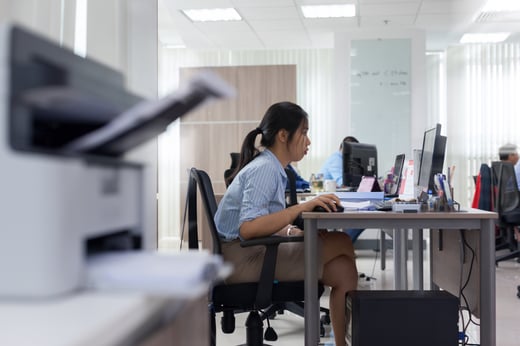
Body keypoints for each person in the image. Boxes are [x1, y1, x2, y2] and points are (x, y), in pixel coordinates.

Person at [214, 101, 358, 346]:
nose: (308, 141)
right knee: (342, 240)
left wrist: (290, 229)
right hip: (245, 260)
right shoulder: (265, 169)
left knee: (344, 269)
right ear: (283, 135)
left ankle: (342, 344)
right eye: (304, 132)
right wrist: (299, 209)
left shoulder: (272, 166)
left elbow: (264, 218)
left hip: (247, 254)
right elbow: (248, 228)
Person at [319, 136, 365, 243]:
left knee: (361, 214)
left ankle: (343, 244)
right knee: (362, 218)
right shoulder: (337, 159)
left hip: (332, 197)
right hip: (327, 198)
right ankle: (343, 244)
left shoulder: (342, 160)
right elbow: (343, 182)